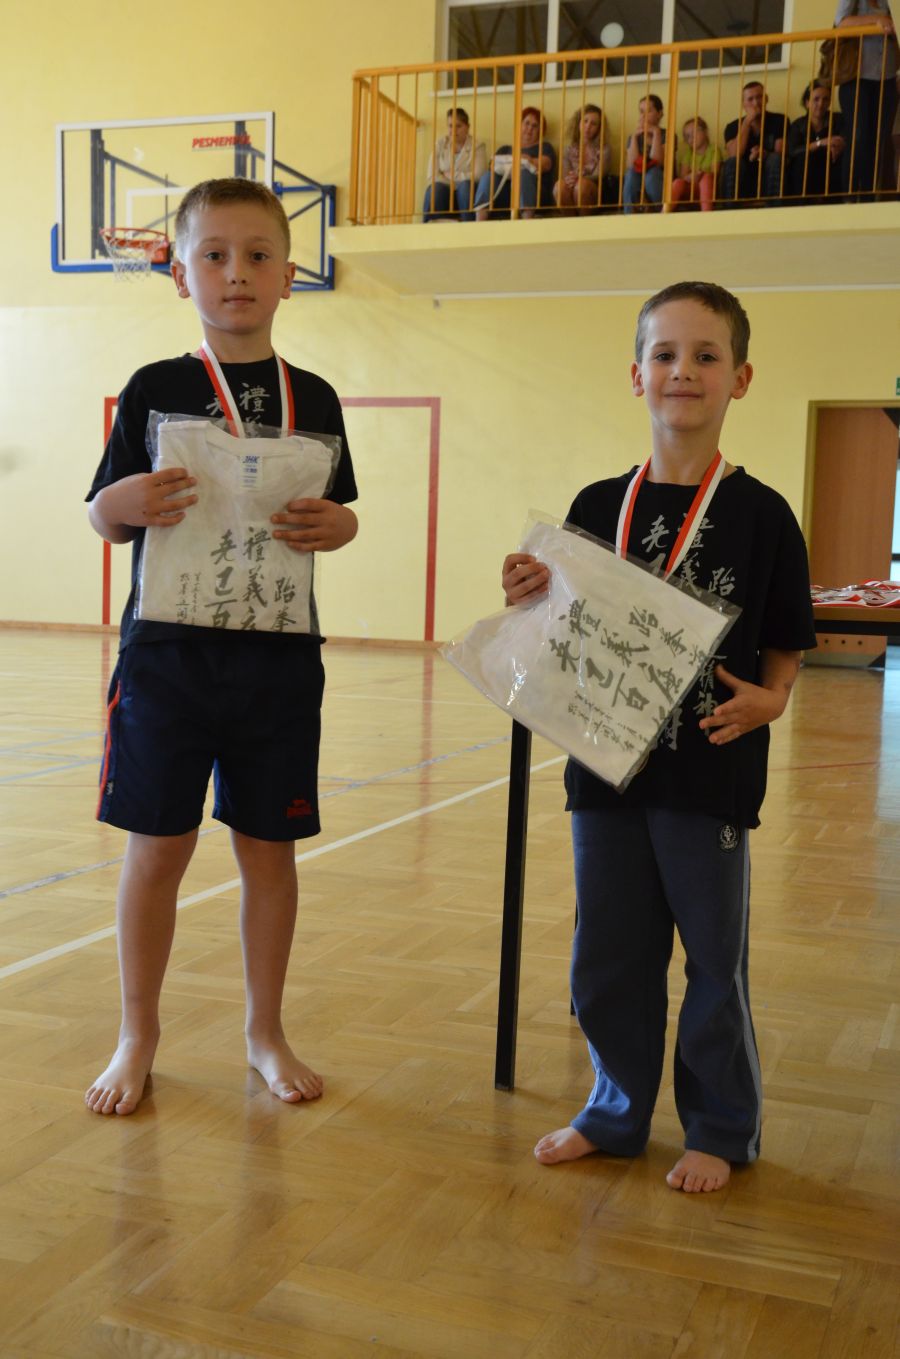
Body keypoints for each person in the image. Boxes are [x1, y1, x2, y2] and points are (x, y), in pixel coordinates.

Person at [501, 281, 816, 1193]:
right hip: (604, 770)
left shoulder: (763, 513)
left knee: (713, 958)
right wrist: (527, 592)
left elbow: (787, 639)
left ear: (740, 378)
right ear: (636, 374)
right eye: (665, 355)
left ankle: (720, 1126)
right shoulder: (600, 503)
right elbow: (561, 627)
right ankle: (614, 1111)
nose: (684, 371)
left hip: (709, 769)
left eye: (706, 355)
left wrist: (774, 699)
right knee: (608, 953)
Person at [84, 178, 359, 1116]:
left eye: (256, 255)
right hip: (167, 662)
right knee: (156, 851)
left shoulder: (315, 397)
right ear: (180, 274)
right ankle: (138, 1032)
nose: (236, 272)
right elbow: (104, 513)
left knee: (269, 854)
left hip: (278, 664)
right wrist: (118, 504)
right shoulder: (154, 389)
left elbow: (338, 513)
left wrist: (342, 527)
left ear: (289, 274)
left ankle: (264, 1030)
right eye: (213, 255)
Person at [833, 0, 898, 196]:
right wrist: (878, 19)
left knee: (879, 139)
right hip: (856, 77)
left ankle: (870, 195)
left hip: (887, 77)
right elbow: (841, 22)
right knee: (858, 136)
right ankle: (850, 194)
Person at [473, 108, 557, 219]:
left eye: (535, 126)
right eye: (527, 123)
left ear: (540, 131)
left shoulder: (545, 147)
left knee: (524, 173)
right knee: (488, 176)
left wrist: (528, 160)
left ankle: (527, 218)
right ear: (520, 125)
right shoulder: (505, 149)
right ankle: (480, 217)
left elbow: (545, 164)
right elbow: (492, 166)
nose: (529, 129)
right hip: (505, 195)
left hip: (536, 196)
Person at [722, 81, 789, 202]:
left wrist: (765, 154)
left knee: (775, 158)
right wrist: (747, 122)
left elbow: (781, 151)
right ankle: (731, 208)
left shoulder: (780, 120)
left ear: (766, 99)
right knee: (732, 163)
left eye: (759, 97)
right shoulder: (732, 126)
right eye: (750, 99)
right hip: (744, 179)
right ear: (743, 104)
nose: (756, 103)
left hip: (769, 175)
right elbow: (734, 154)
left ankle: (775, 207)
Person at [423, 107, 487, 221]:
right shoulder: (440, 144)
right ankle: (428, 228)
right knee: (435, 189)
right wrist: (455, 182)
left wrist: (452, 175)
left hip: (466, 195)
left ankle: (470, 228)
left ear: (467, 127)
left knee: (465, 186)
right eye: (450, 126)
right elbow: (432, 175)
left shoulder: (478, 146)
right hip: (444, 194)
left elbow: (478, 176)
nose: (453, 130)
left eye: (458, 126)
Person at [787, 81, 847, 199]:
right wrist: (820, 143)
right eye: (816, 99)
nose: (821, 104)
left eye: (825, 99)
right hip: (806, 169)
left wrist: (838, 145)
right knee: (802, 160)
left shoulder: (838, 119)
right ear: (807, 103)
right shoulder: (798, 125)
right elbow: (793, 151)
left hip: (831, 163)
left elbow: (845, 139)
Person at [552, 104, 612, 214]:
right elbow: (565, 175)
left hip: (595, 191)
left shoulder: (604, 149)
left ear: (599, 128)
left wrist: (579, 178)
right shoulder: (568, 149)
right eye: (585, 121)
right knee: (559, 187)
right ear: (578, 123)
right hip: (572, 187)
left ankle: (585, 221)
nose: (588, 126)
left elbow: (599, 175)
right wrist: (573, 179)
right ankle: (569, 221)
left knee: (581, 186)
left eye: (593, 124)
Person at [623, 95, 668, 213]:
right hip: (638, 177)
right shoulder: (634, 137)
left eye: (648, 111)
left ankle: (660, 211)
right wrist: (634, 137)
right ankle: (629, 214)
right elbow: (631, 164)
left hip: (659, 178)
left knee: (652, 174)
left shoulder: (667, 135)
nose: (643, 115)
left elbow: (657, 161)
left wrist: (656, 133)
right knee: (631, 174)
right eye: (641, 111)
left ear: (659, 113)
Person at [670, 116, 720, 211]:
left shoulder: (713, 150)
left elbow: (715, 173)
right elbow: (683, 177)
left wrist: (701, 175)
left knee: (707, 177)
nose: (691, 138)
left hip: (708, 190)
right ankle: (665, 211)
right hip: (692, 191)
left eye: (694, 133)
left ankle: (706, 213)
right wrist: (690, 177)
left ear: (705, 132)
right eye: (687, 136)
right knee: (678, 182)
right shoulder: (688, 154)